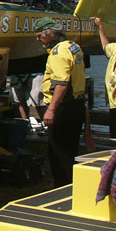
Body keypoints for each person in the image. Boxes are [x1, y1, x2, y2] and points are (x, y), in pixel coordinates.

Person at [35, 16, 86, 187]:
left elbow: (62, 84)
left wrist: (51, 110)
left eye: (40, 35)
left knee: (58, 150)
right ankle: (71, 183)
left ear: (51, 35)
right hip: (76, 104)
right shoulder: (73, 46)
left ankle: (61, 186)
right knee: (71, 148)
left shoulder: (58, 52)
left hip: (63, 106)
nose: (38, 39)